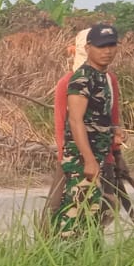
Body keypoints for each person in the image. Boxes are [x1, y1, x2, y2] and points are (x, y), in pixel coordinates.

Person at [49, 22, 123, 237]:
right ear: (87, 47)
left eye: (111, 45)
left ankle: (88, 261)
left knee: (92, 216)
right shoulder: (79, 79)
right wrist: (88, 160)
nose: (107, 51)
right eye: (101, 46)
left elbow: (107, 116)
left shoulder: (106, 78)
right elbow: (74, 121)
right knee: (71, 218)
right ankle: (63, 263)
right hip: (82, 159)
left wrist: (115, 132)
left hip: (99, 156)